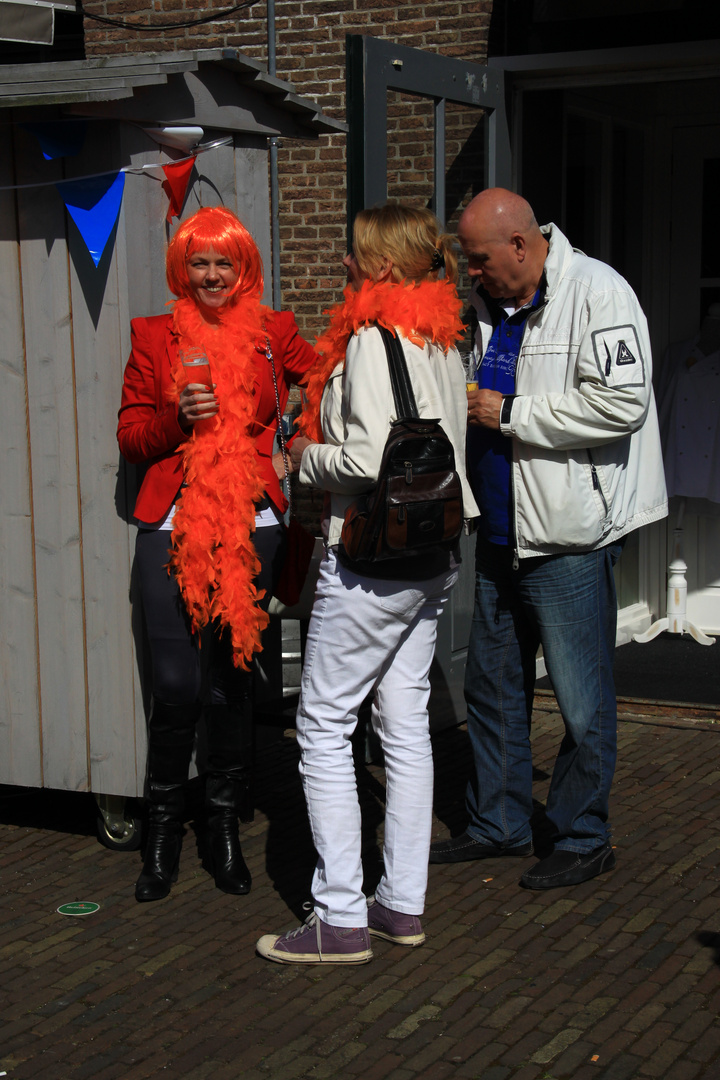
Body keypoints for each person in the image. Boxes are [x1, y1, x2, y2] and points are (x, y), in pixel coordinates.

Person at [256, 204, 479, 963]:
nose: (343, 264)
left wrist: (300, 458)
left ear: (382, 267)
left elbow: (362, 461)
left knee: (321, 725)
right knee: (406, 722)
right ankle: (401, 905)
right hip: (436, 550)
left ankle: (340, 916)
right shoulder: (441, 339)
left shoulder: (368, 343)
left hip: (371, 557)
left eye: (354, 254)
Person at [429, 188, 667, 889]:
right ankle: (499, 823)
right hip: (500, 534)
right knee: (493, 688)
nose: (472, 273)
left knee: (581, 698)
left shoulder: (599, 293)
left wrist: (511, 413)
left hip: (567, 539)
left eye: (479, 260)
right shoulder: (483, 309)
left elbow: (623, 402)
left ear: (522, 246)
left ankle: (584, 834)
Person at [117, 206, 316, 902]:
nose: (209, 275)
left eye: (222, 263)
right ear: (183, 268)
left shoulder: (274, 332)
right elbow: (133, 435)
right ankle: (164, 830)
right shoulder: (154, 336)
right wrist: (177, 419)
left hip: (252, 520)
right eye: (198, 262)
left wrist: (293, 441)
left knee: (233, 680)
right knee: (176, 687)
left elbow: (322, 384)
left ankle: (224, 827)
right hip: (171, 525)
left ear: (242, 269)